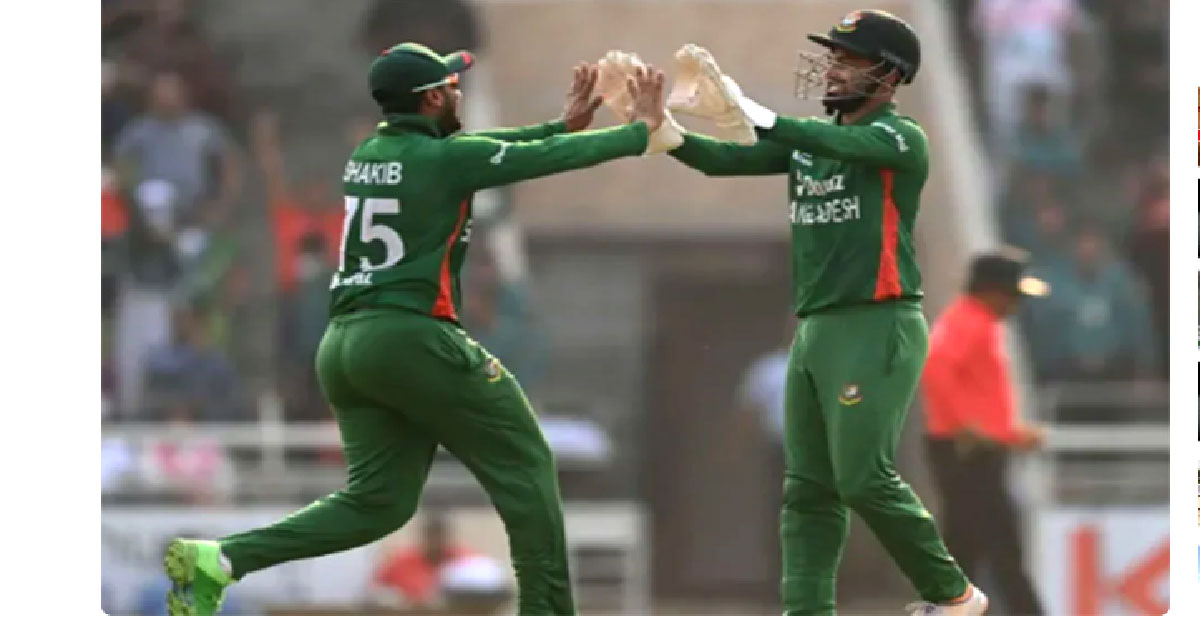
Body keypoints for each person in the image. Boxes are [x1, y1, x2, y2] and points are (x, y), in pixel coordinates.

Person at [163, 42, 672, 616]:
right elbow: (538, 158)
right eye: (452, 86)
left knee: (378, 503)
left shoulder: (370, 153)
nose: (459, 93)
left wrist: (559, 125)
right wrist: (641, 133)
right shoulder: (446, 159)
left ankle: (223, 559)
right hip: (410, 337)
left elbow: (486, 150)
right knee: (526, 461)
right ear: (431, 99)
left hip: (345, 345)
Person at [661, 10, 987, 615]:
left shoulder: (899, 139)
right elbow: (722, 160)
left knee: (862, 477)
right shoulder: (813, 144)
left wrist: (754, 112)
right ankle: (806, 614)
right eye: (833, 56)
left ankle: (955, 594)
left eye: (849, 59)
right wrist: (662, 132)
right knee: (808, 490)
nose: (833, 69)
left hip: (876, 321)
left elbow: (834, 141)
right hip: (814, 329)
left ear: (889, 76)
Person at [920, 250, 1049, 616]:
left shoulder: (976, 321)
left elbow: (975, 393)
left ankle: (944, 614)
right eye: (1012, 295)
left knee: (965, 547)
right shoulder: (969, 321)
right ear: (991, 291)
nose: (1016, 304)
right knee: (1002, 546)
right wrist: (966, 427)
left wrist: (1010, 433)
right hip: (969, 453)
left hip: (972, 448)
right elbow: (936, 368)